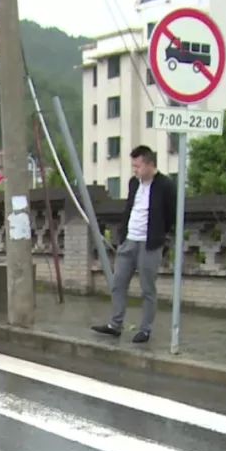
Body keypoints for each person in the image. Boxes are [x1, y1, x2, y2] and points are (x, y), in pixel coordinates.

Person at [91, 145, 176, 343]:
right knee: (118, 283)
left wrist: (160, 236)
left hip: (149, 243)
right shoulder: (133, 183)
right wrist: (123, 236)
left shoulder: (165, 185)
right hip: (129, 240)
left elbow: (171, 215)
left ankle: (145, 329)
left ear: (148, 164)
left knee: (147, 288)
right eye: (133, 166)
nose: (135, 170)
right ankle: (115, 324)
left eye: (137, 166)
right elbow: (129, 208)